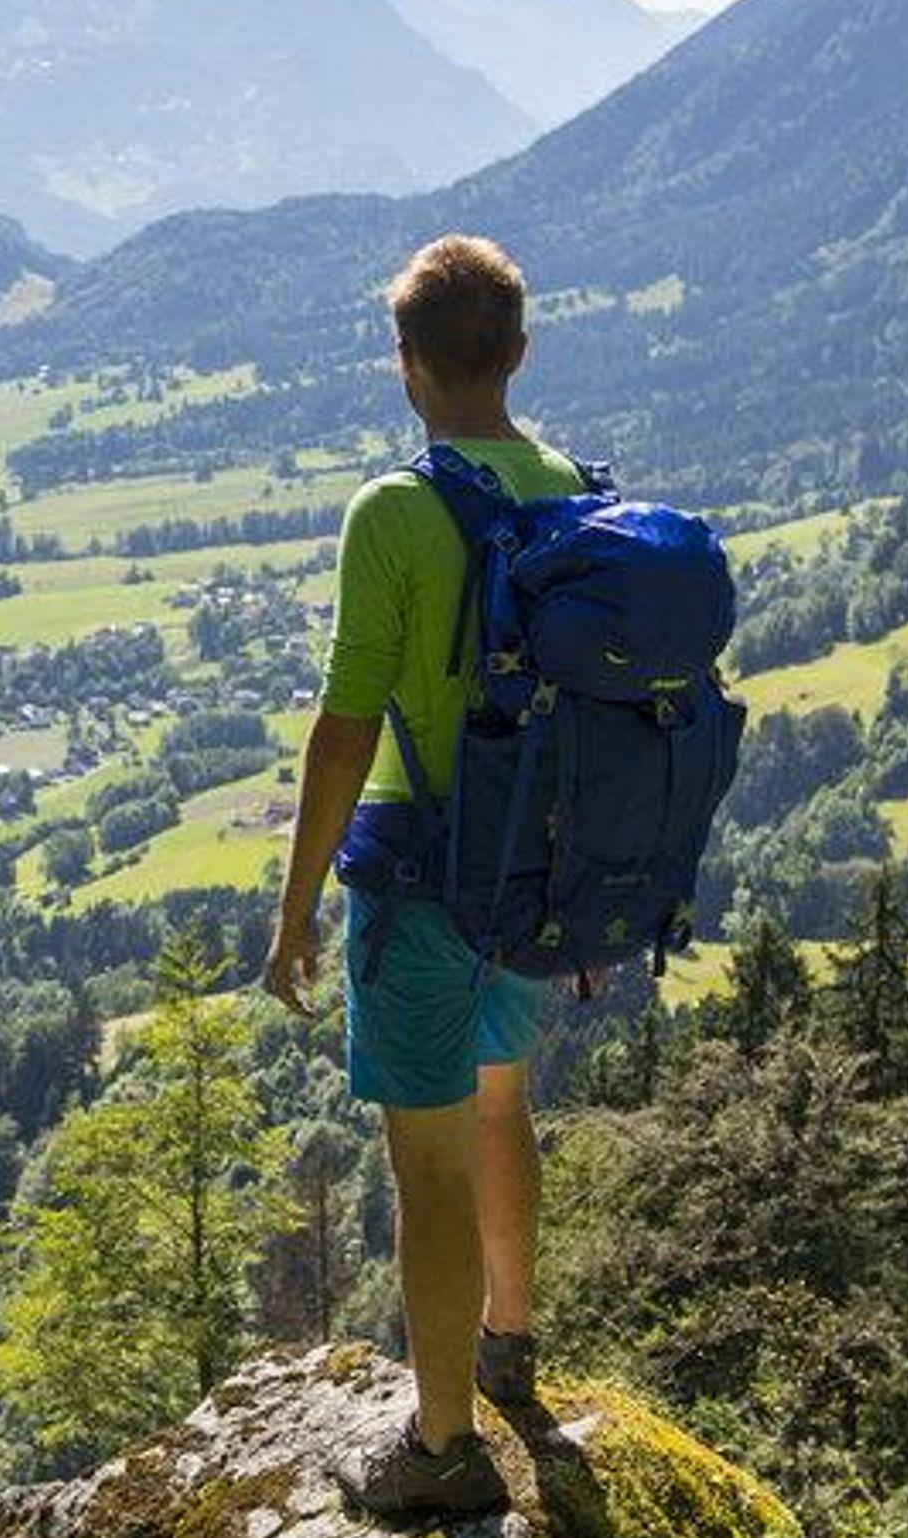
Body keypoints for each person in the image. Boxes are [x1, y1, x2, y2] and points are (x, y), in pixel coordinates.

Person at [263, 234, 586, 1519]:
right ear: (516, 353)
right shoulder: (569, 488)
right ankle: (508, 1346)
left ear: (405, 364)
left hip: (417, 874)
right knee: (502, 1105)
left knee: (429, 1161)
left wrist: (293, 908)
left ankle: (441, 1445)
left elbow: (347, 725)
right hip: (532, 872)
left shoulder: (392, 511)